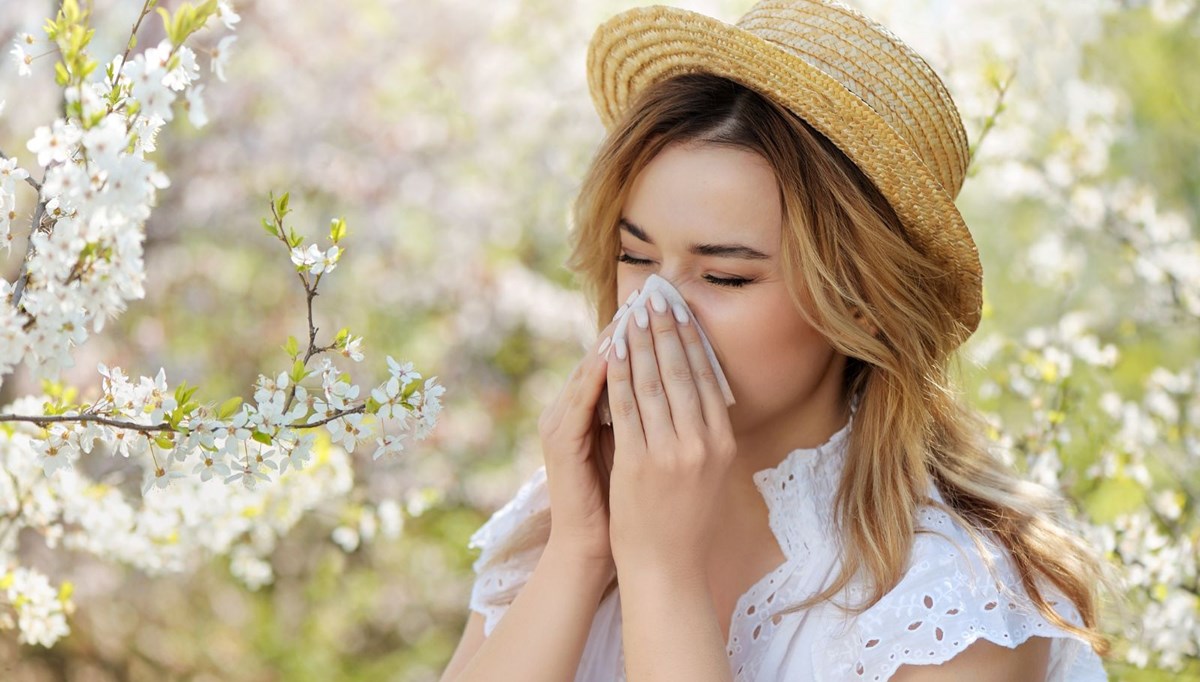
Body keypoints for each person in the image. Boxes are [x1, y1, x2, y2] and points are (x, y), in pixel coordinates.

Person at [439, 1, 1112, 680]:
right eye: (635, 256)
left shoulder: (957, 604)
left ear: (865, 305)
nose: (651, 309)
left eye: (725, 277)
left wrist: (662, 572)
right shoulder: (563, 514)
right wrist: (580, 551)